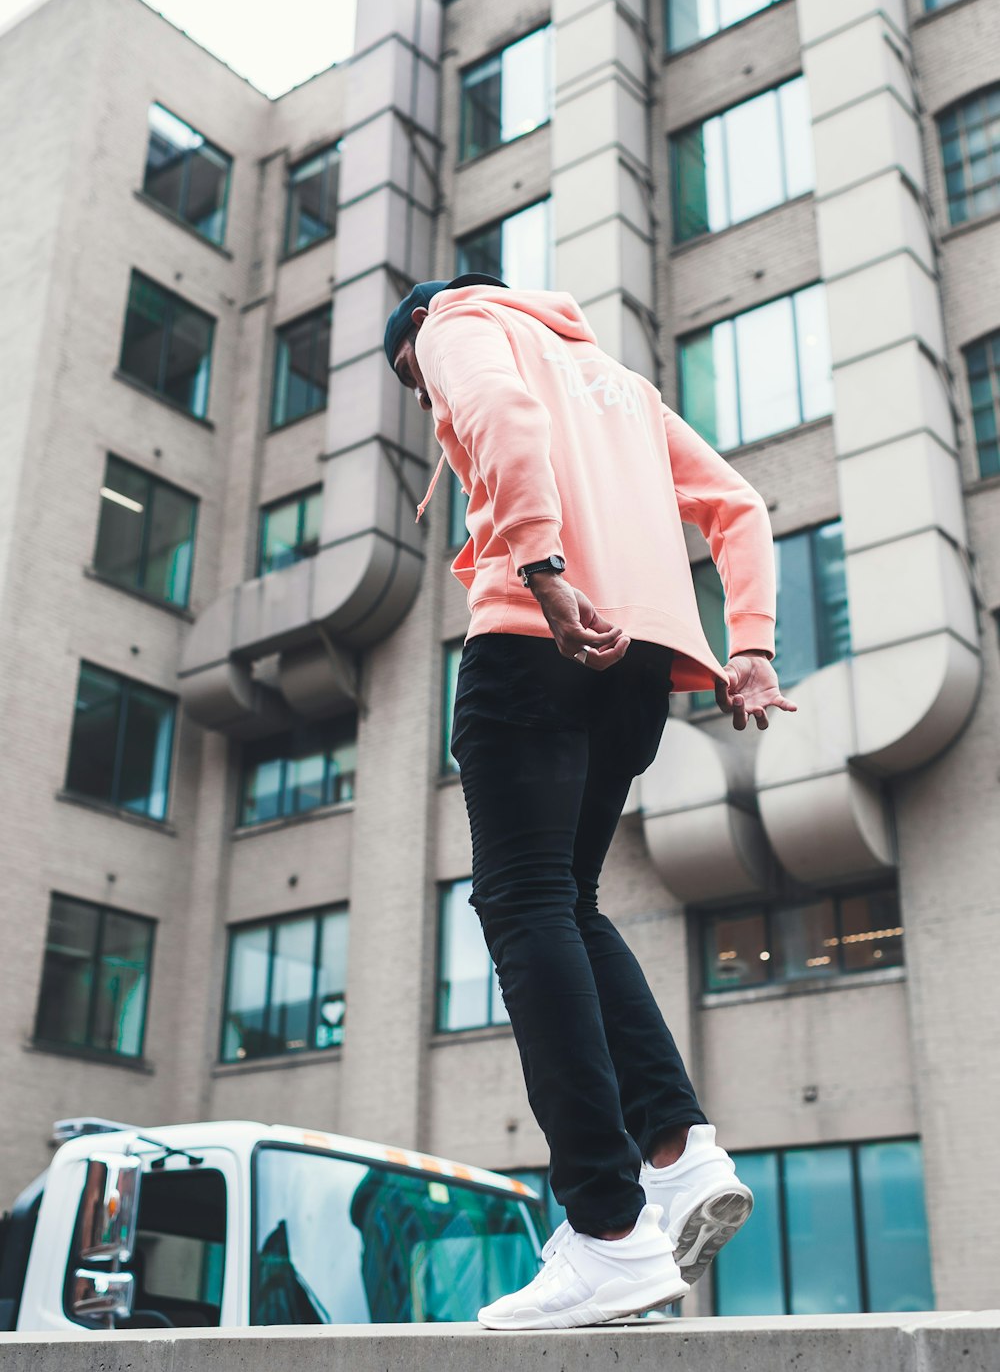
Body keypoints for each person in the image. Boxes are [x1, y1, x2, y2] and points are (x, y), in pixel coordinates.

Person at [384, 275, 797, 1331]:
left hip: (539, 638)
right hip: (641, 671)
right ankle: (679, 1152)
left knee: (521, 908)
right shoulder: (613, 380)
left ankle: (607, 1232)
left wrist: (542, 566)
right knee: (567, 901)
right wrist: (747, 645)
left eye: (413, 386)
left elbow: (500, 415)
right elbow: (735, 505)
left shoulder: (454, 327)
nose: (426, 405)